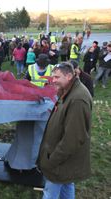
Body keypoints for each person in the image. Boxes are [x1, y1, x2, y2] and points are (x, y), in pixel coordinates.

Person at [37, 62, 92, 199]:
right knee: (66, 184)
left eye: (57, 77)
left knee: (50, 193)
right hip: (64, 160)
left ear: (68, 76)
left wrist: (52, 161)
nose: (53, 80)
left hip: (60, 161)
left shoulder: (78, 99)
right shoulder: (68, 91)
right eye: (53, 77)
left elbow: (74, 138)